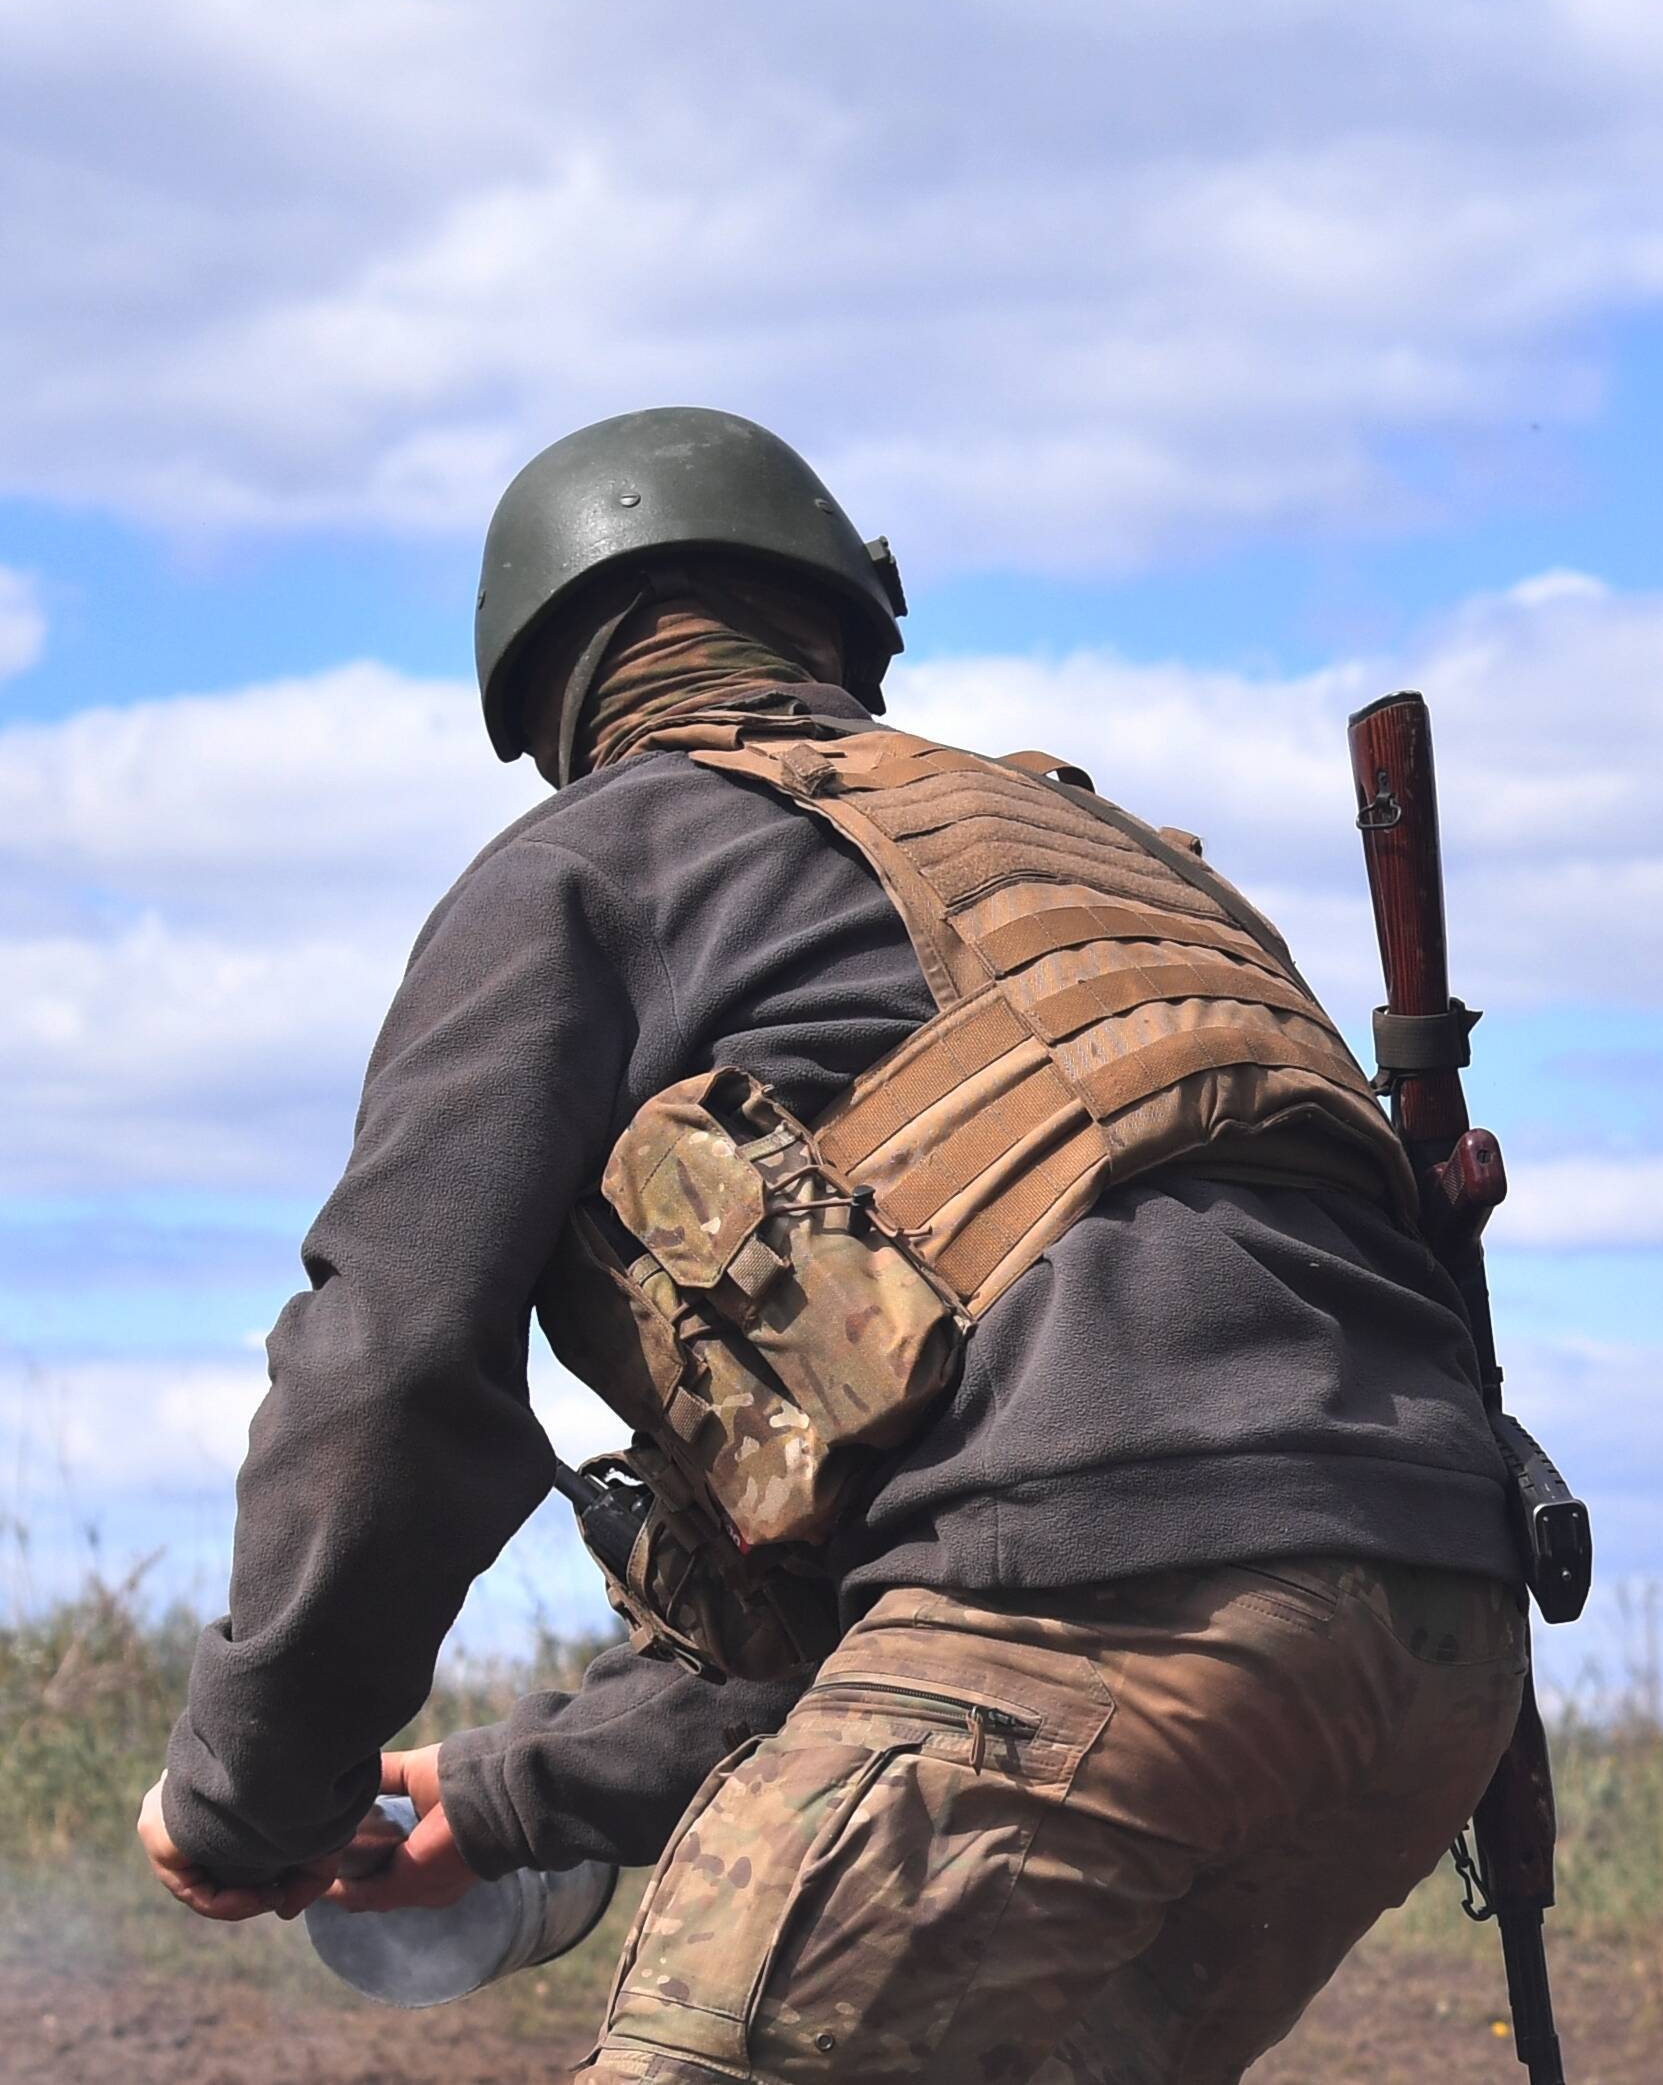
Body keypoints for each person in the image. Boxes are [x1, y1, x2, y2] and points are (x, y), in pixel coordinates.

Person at [140, 407, 1532, 2084]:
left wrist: (250, 1789)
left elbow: (392, 1359)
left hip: (1085, 1623)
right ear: (843, 622)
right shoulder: (1132, 873)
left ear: (554, 693)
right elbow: (936, 1534)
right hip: (1432, 1647)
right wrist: (509, 1795)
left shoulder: (599, 858)